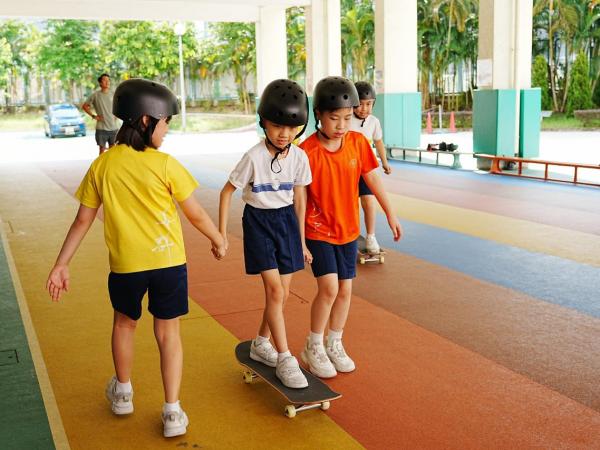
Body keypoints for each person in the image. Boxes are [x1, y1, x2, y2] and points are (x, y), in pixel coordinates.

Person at [46, 78, 226, 438]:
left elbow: (83, 219)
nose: (167, 130)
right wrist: (218, 238)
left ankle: (123, 393)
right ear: (146, 121)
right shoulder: (166, 164)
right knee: (168, 333)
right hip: (168, 264)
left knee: (124, 325)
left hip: (126, 267)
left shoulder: (103, 165)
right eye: (166, 123)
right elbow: (194, 214)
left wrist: (61, 263)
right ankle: (172, 411)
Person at [299, 76, 402, 378]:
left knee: (345, 290)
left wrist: (390, 213)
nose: (342, 125)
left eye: (347, 118)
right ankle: (313, 344)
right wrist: (299, 239)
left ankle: (334, 342)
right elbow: (299, 199)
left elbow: (372, 179)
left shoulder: (358, 143)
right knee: (329, 288)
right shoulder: (307, 152)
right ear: (319, 114)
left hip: (347, 231)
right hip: (317, 230)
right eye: (335, 118)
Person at [219, 79, 312, 389]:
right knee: (275, 291)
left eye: (292, 127)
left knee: (282, 294)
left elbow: (300, 200)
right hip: (258, 222)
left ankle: (261, 342)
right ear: (264, 123)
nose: (284, 133)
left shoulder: (299, 158)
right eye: (277, 126)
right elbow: (226, 192)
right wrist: (221, 235)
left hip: (286, 223)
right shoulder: (254, 157)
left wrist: (302, 241)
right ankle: (285, 357)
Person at [350, 81, 392, 254]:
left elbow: (378, 142)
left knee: (368, 201)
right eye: (360, 104)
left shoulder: (374, 122)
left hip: (366, 170)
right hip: (348, 170)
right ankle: (350, 233)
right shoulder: (345, 119)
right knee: (349, 204)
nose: (364, 109)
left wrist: (385, 162)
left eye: (368, 104)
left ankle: (371, 236)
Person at [82, 73, 120, 155]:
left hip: (114, 127)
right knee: (102, 150)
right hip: (102, 128)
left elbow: (120, 105)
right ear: (100, 83)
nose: (107, 82)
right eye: (105, 80)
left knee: (113, 150)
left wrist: (117, 114)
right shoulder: (95, 95)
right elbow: (84, 106)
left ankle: (110, 164)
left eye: (108, 80)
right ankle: (102, 164)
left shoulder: (114, 94)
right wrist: (94, 116)